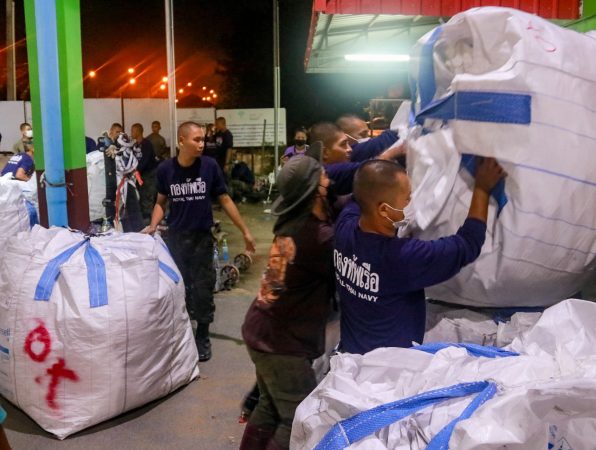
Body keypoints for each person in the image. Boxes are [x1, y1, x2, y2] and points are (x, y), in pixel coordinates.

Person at [334, 157, 506, 355]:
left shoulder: (344, 228)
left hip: (352, 355)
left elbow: (361, 194)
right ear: (383, 209)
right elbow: (467, 244)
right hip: (387, 371)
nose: (412, 201)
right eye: (407, 198)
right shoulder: (401, 258)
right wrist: (482, 188)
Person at [240, 155, 335, 450]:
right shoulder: (319, 239)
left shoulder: (294, 222)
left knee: (269, 407)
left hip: (261, 330)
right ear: (316, 192)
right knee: (297, 418)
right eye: (323, 177)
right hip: (282, 344)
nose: (330, 179)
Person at [143, 121, 255, 362]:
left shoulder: (209, 166)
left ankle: (202, 335)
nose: (202, 144)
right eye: (196, 139)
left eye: (203, 139)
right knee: (178, 289)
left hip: (202, 239)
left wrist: (245, 231)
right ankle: (181, 332)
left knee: (204, 288)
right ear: (181, 141)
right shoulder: (165, 170)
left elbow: (224, 199)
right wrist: (153, 225)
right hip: (176, 239)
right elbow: (160, 203)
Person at [131, 123, 159, 224]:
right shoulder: (134, 145)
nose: (132, 133)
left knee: (147, 197)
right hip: (139, 175)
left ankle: (149, 220)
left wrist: (135, 171)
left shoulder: (147, 144)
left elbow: (145, 160)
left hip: (148, 175)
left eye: (133, 130)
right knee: (140, 196)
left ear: (139, 131)